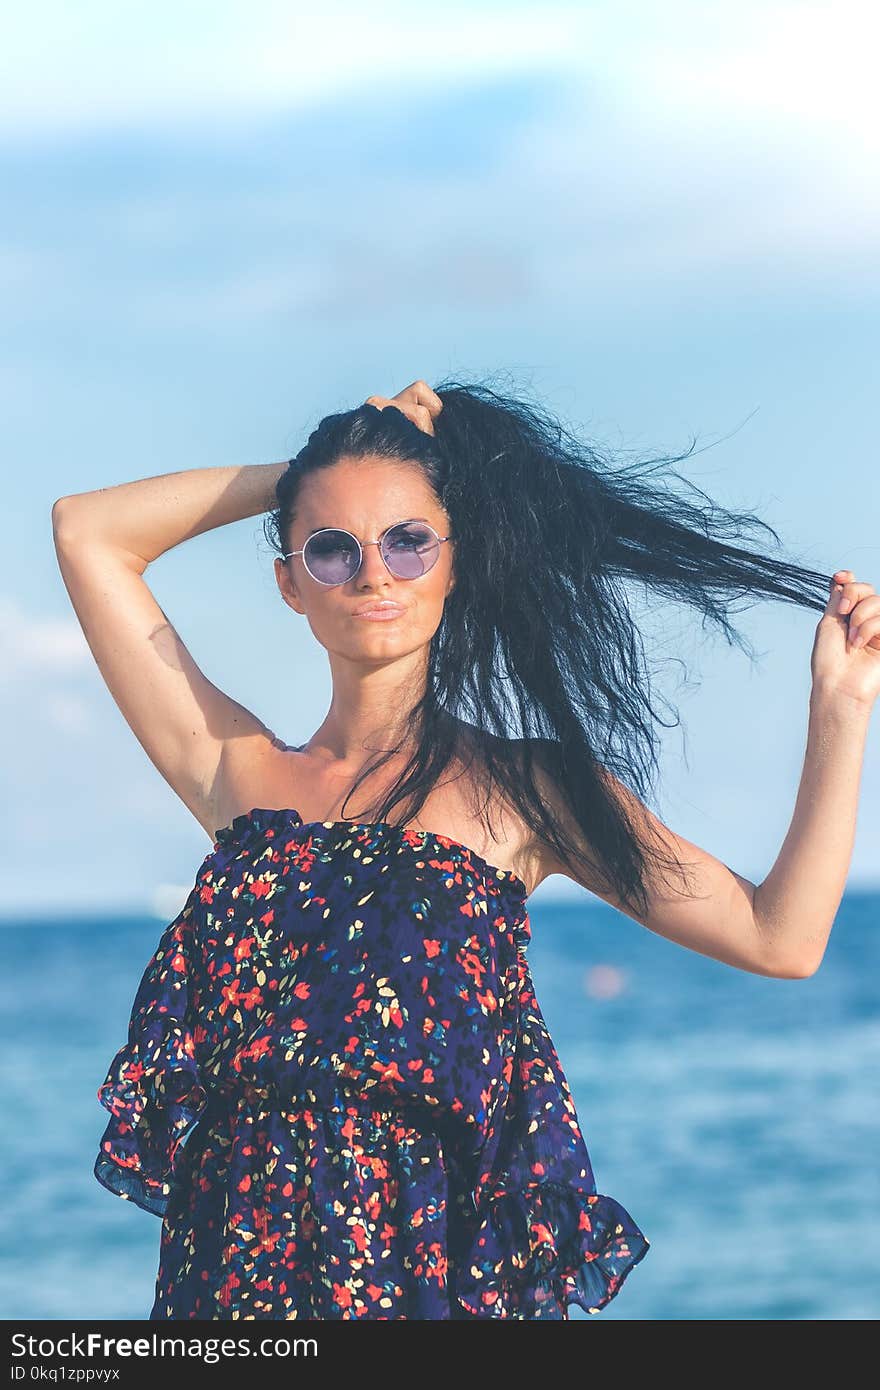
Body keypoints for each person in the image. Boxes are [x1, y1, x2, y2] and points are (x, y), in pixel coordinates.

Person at [52, 377, 878, 1320]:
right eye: (332, 549)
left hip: (415, 1276)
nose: (374, 572)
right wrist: (319, 471)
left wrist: (844, 709)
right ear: (289, 581)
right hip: (224, 1281)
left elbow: (782, 937)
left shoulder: (529, 791)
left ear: (456, 562)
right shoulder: (237, 774)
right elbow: (88, 532)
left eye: (410, 539)